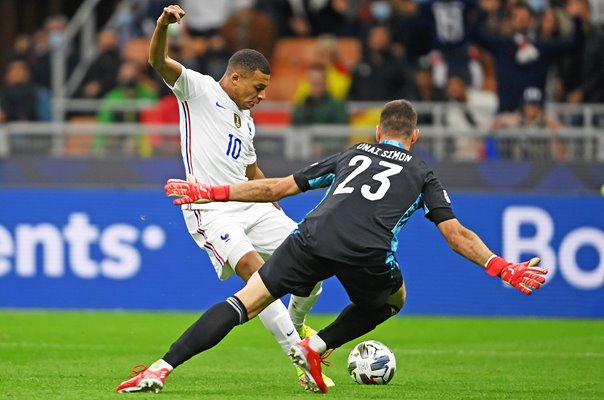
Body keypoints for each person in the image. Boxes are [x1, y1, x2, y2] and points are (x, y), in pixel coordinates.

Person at [119, 99, 549, 394]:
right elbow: (456, 235)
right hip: (367, 251)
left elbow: (277, 188)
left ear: (379, 131)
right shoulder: (421, 172)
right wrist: (501, 267)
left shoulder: (353, 153)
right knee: (393, 300)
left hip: (311, 236)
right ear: (414, 136)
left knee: (243, 303)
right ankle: (317, 346)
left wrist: (211, 193)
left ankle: (162, 367)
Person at [115, 5, 331, 393]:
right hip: (212, 210)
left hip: (251, 204)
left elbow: (252, 173)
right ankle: (300, 357)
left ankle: (297, 326)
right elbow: (156, 60)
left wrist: (274, 204)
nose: (262, 96)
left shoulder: (246, 120)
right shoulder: (198, 89)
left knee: (311, 263)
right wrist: (163, 25)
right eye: (258, 87)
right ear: (234, 77)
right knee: (258, 276)